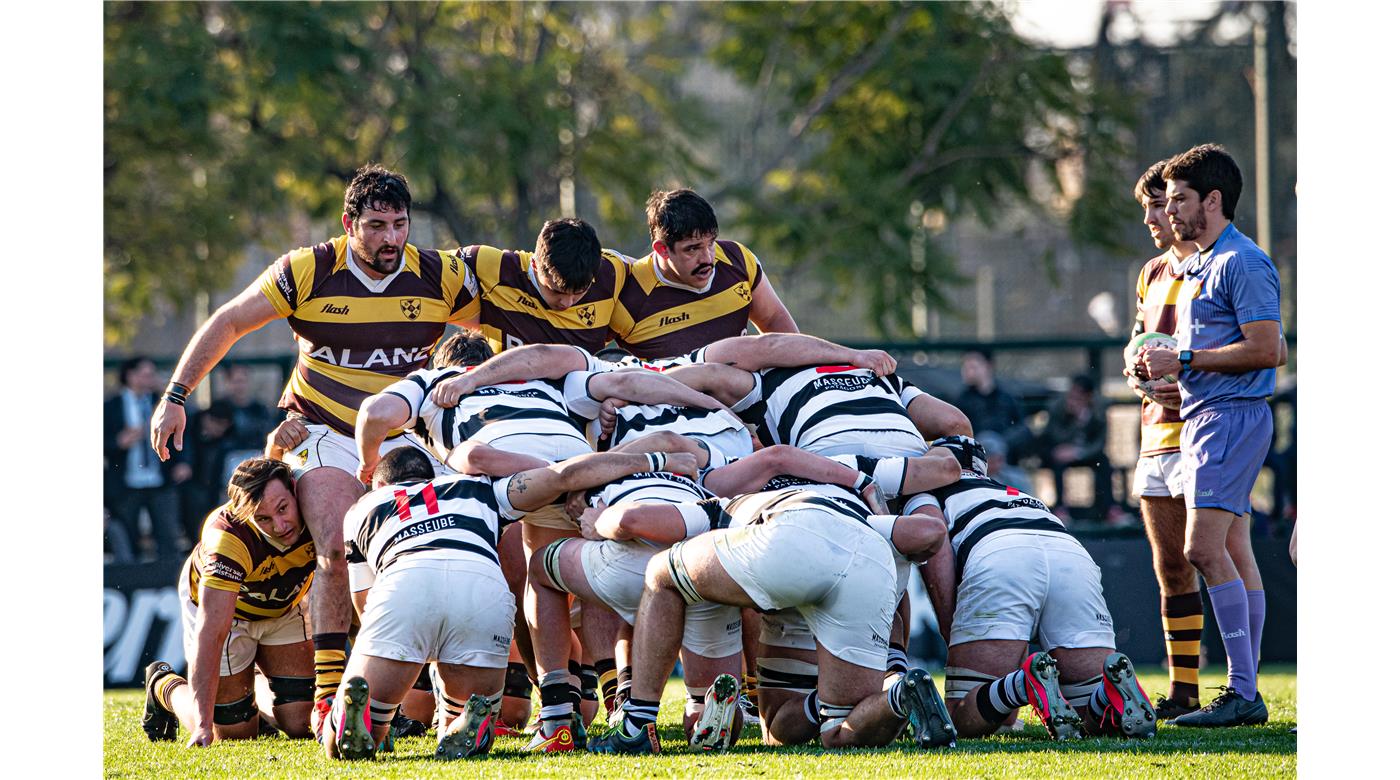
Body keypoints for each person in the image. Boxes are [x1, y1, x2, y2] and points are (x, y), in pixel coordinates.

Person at [150, 163, 478, 729]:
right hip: (322, 428)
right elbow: (229, 321)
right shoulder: (309, 270)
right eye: (376, 225)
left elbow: (506, 323)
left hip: (406, 437)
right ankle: (332, 701)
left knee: (423, 549)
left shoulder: (438, 275)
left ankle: (423, 694)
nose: (391, 238)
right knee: (333, 545)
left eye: (400, 224)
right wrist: (176, 394)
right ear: (350, 224)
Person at [322, 445, 699, 760]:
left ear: (381, 483)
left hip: (406, 580)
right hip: (481, 585)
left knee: (354, 728)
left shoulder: (364, 507)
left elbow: (364, 600)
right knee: (461, 702)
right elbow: (562, 476)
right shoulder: (472, 488)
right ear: (431, 477)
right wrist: (657, 460)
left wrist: (398, 652)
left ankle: (364, 719)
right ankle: (467, 718)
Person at [1139, 143, 1282, 728]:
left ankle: (1242, 691)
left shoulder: (1241, 262)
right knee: (1229, 551)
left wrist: (1188, 358)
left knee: (1200, 550)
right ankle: (1242, 690)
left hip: (1229, 417)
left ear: (1213, 201)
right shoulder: (1199, 261)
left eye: (1178, 200)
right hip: (1204, 419)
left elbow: (1268, 348)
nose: (1167, 211)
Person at [918, 437, 1157, 742]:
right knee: (1087, 711)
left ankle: (1023, 685)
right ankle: (1106, 696)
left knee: (959, 716)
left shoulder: (928, 492)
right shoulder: (1011, 490)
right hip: (1069, 553)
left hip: (998, 552)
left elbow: (935, 548)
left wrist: (953, 631)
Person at [141, 458, 316, 747]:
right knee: (234, 734)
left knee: (301, 723)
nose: (281, 525)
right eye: (264, 519)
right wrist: (203, 725)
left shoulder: (316, 501)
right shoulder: (228, 540)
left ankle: (250, 688)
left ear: (294, 490)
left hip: (284, 605)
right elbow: (211, 633)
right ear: (246, 515)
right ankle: (164, 686)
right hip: (229, 614)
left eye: (283, 508)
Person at [1124, 159, 1206, 721]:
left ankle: (1242, 686)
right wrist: (1136, 374)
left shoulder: (1215, 264)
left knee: (1220, 559)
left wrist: (1190, 384)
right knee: (1170, 566)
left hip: (1207, 431)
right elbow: (1137, 343)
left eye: (1161, 204)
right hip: (1156, 436)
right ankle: (1184, 689)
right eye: (1149, 208)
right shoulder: (1150, 273)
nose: (1155, 217)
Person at [610, 189, 798, 360]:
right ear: (662, 249)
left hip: (748, 393)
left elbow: (772, 318)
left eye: (711, 243)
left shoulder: (737, 259)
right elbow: (585, 362)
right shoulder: (628, 293)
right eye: (692, 249)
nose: (708, 259)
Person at [452, 217, 631, 353]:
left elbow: (655, 271)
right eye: (556, 291)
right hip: (506, 397)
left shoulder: (612, 271)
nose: (567, 303)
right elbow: (431, 270)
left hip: (582, 398)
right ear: (535, 265)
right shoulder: (494, 266)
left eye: (579, 292)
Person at [106, 356, 192, 561]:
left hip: (160, 479)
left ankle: (170, 582)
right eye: (145, 375)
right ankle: (131, 586)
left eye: (152, 375)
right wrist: (118, 442)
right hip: (126, 482)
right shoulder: (111, 407)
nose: (150, 379)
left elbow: (181, 434)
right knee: (128, 537)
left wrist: (183, 462)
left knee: (168, 534)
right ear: (130, 376)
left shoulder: (162, 403)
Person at [1039, 374, 1120, 523]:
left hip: (1085, 453)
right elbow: (1052, 435)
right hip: (1060, 450)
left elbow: (1100, 442)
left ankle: (1109, 508)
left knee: (1103, 462)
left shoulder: (1099, 409)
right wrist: (1074, 422)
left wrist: (1079, 452)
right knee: (1057, 462)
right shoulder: (1057, 406)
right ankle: (1060, 507)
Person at [955, 349, 1033, 462]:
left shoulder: (1007, 397)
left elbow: (1023, 429)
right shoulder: (962, 400)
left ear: (988, 366)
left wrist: (1002, 444)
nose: (968, 371)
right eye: (965, 367)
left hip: (1006, 461)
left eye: (973, 367)